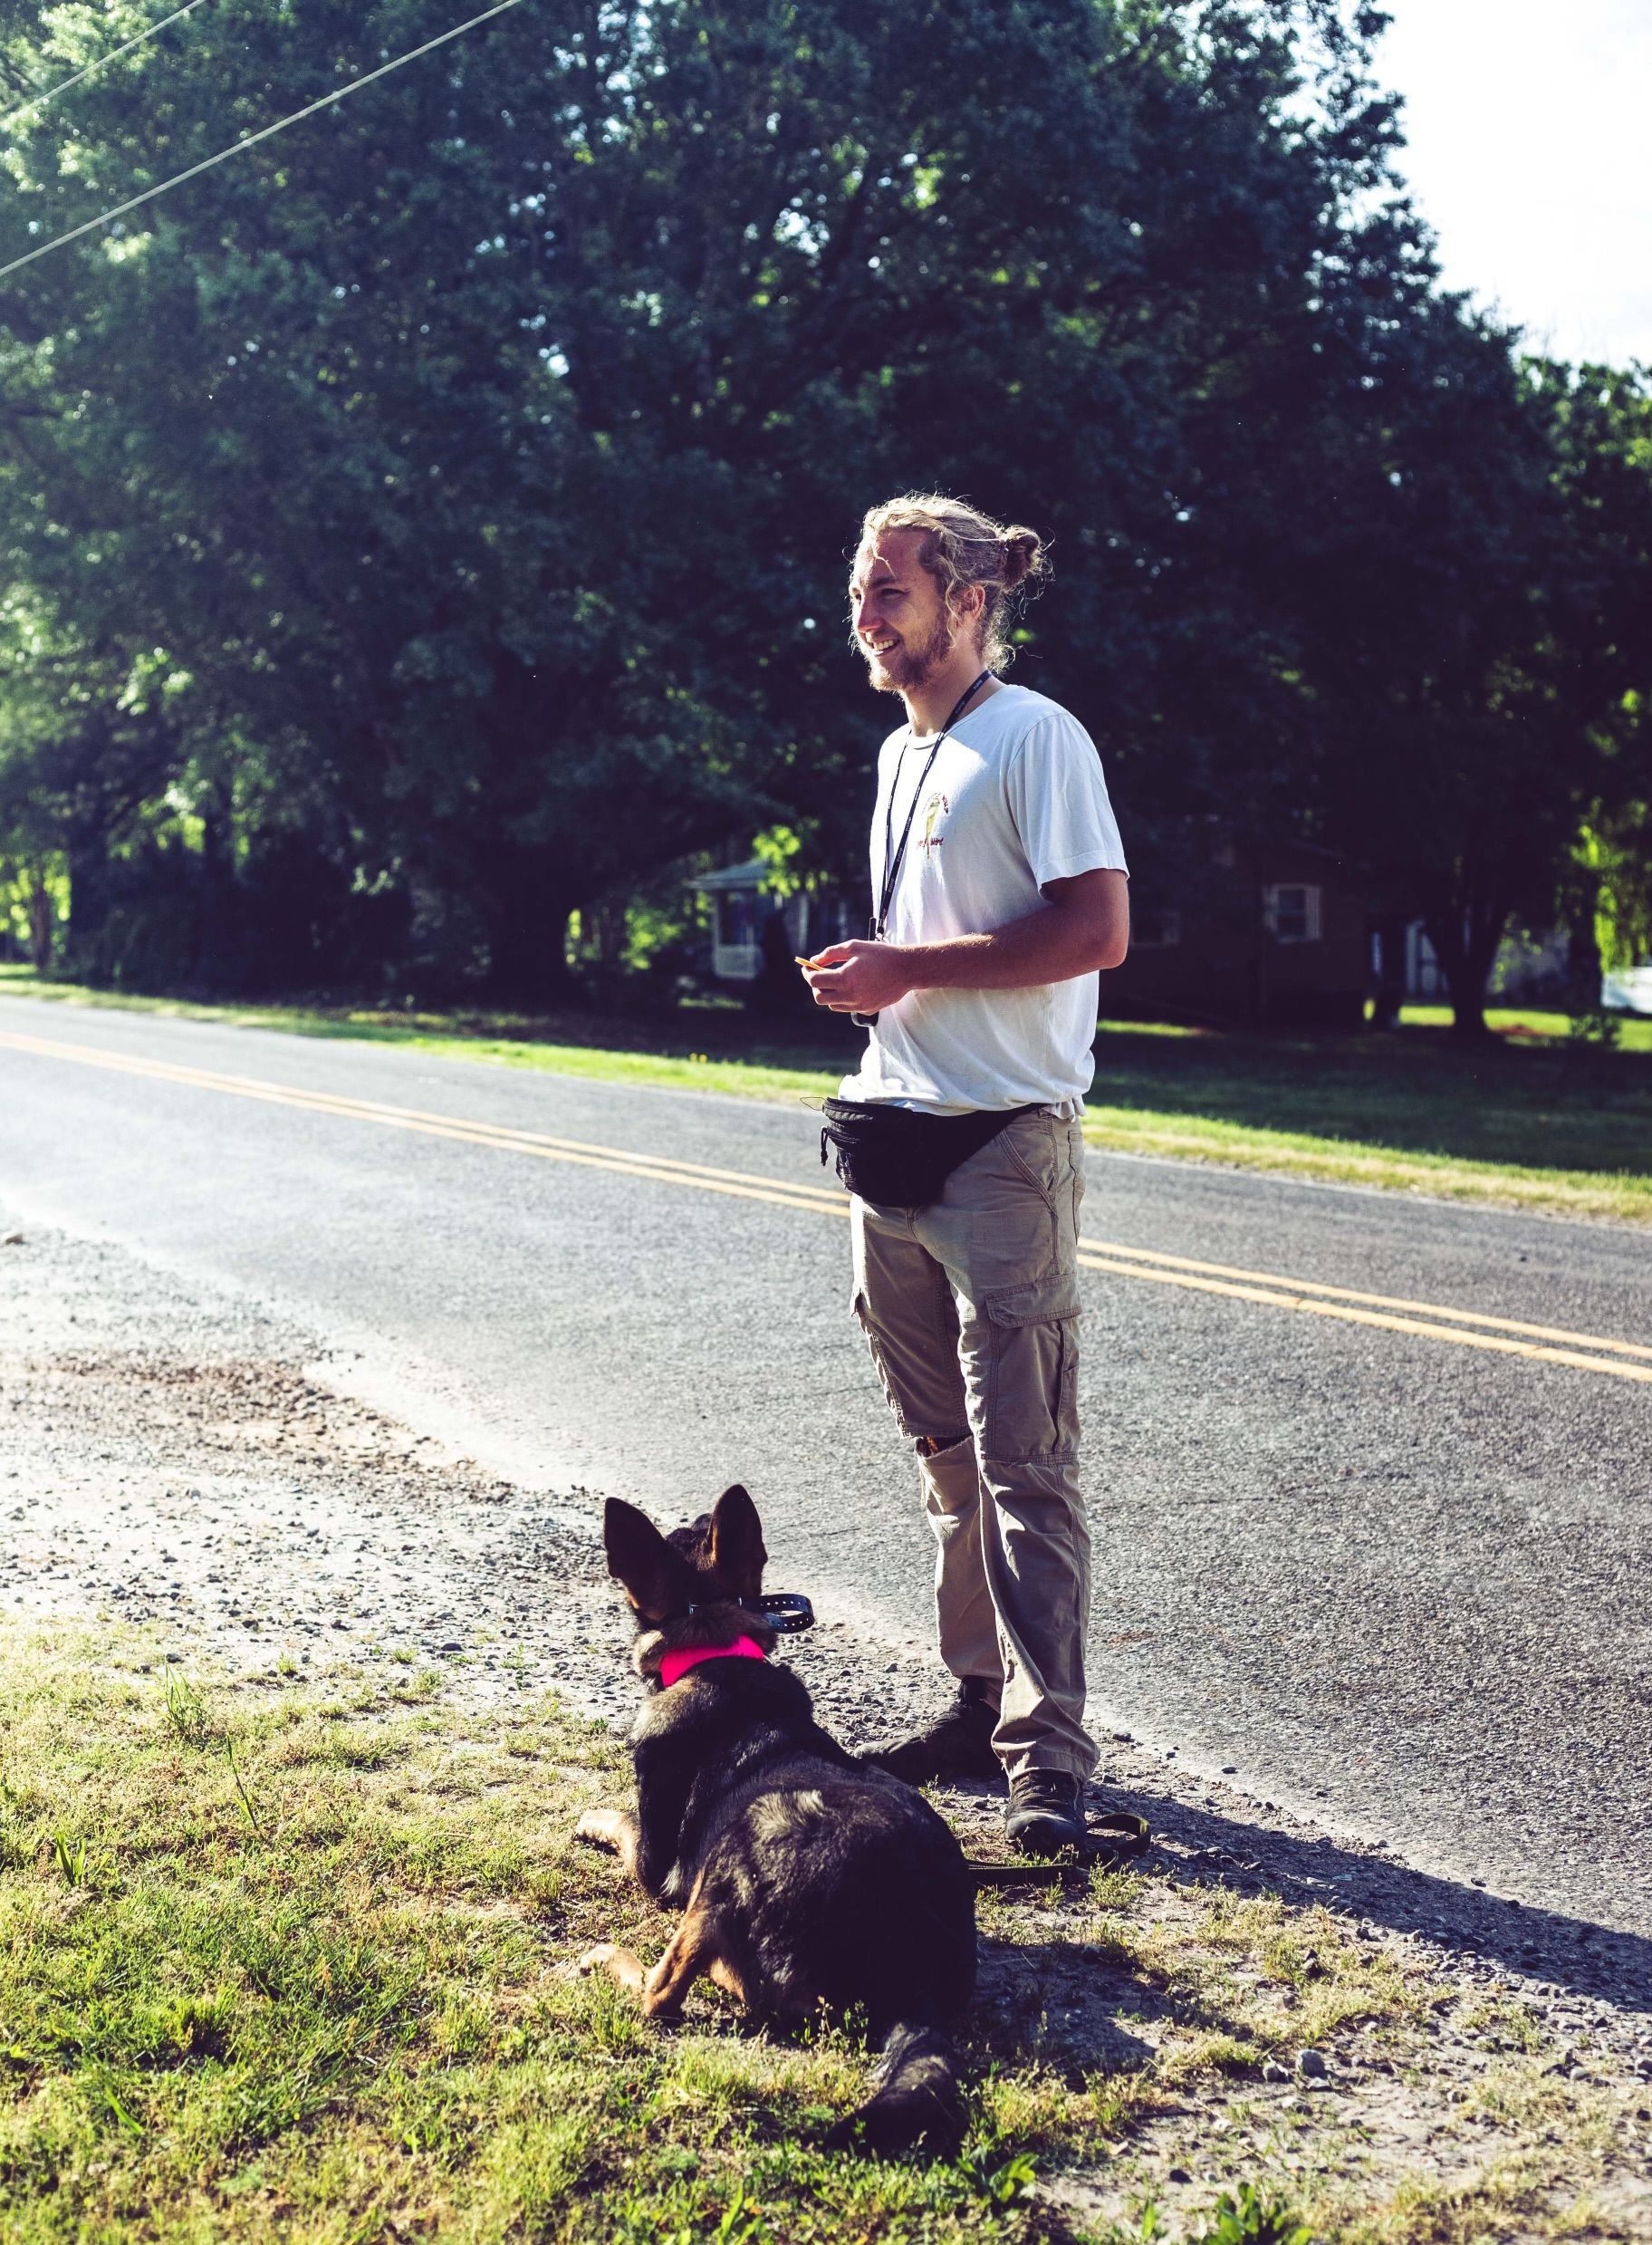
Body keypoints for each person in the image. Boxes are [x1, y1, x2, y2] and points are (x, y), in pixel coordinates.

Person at [800, 493, 1129, 1857]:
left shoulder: (1033, 735)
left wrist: (905, 969)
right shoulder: (899, 753)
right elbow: (930, 941)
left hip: (1003, 1147)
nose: (866, 616)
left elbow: (1097, 929)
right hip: (895, 1142)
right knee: (945, 1461)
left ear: (971, 600)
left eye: (892, 592)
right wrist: (873, 987)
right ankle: (972, 1704)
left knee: (1025, 1462)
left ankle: (1049, 1760)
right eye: (862, 591)